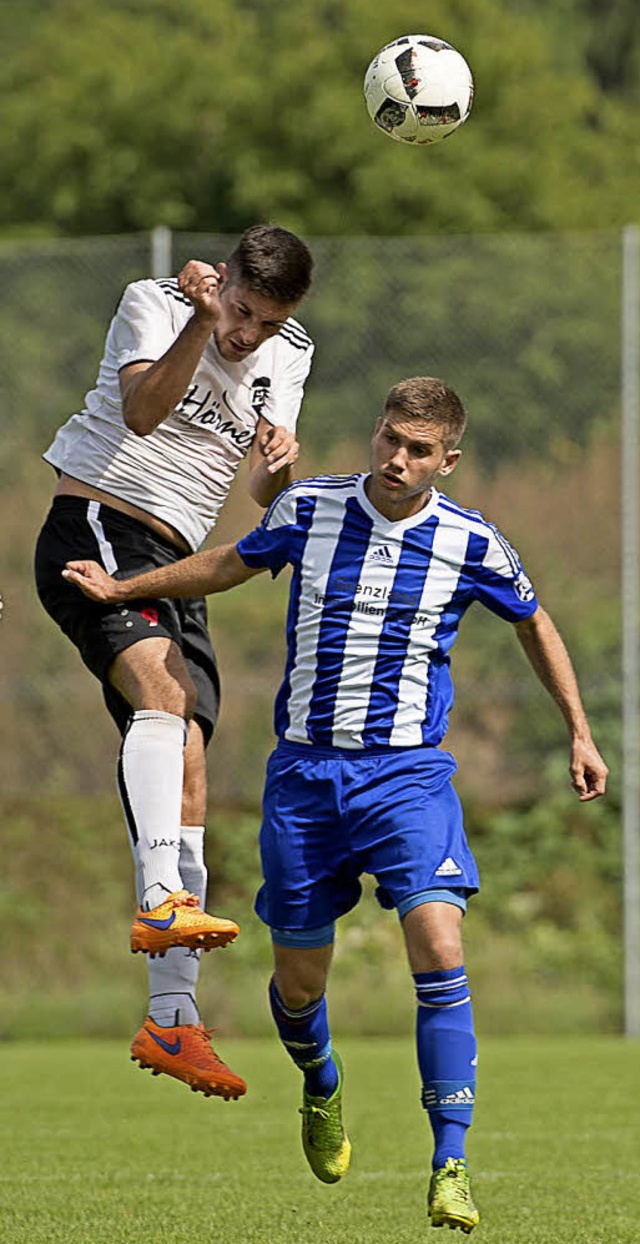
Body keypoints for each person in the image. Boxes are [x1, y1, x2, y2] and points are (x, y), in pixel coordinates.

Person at [62, 375, 608, 1233]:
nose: (396, 458)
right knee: (299, 984)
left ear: (447, 461)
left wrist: (578, 729)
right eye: (388, 438)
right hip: (306, 781)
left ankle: (451, 1163)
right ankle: (320, 1083)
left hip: (408, 779)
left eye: (417, 450)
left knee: (437, 939)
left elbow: (534, 621)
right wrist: (127, 591)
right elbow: (226, 564)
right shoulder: (311, 510)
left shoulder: (471, 543)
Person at [35, 224, 314, 1102]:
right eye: (238, 310)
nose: (246, 335)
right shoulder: (156, 303)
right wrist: (199, 323)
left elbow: (256, 493)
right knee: (163, 691)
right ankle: (161, 898)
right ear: (219, 280)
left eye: (263, 324)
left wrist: (277, 470)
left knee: (187, 749)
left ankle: (174, 1021)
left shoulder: (291, 354)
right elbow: (144, 412)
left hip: (174, 565)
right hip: (98, 528)